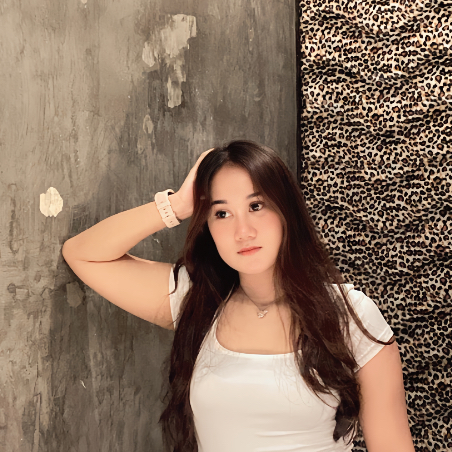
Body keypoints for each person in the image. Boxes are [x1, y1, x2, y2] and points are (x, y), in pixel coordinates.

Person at [62, 140, 415, 452]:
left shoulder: (350, 315)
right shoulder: (197, 301)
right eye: (222, 213)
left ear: (286, 211)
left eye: (256, 206)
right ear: (208, 227)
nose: (242, 231)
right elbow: (83, 255)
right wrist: (178, 205)